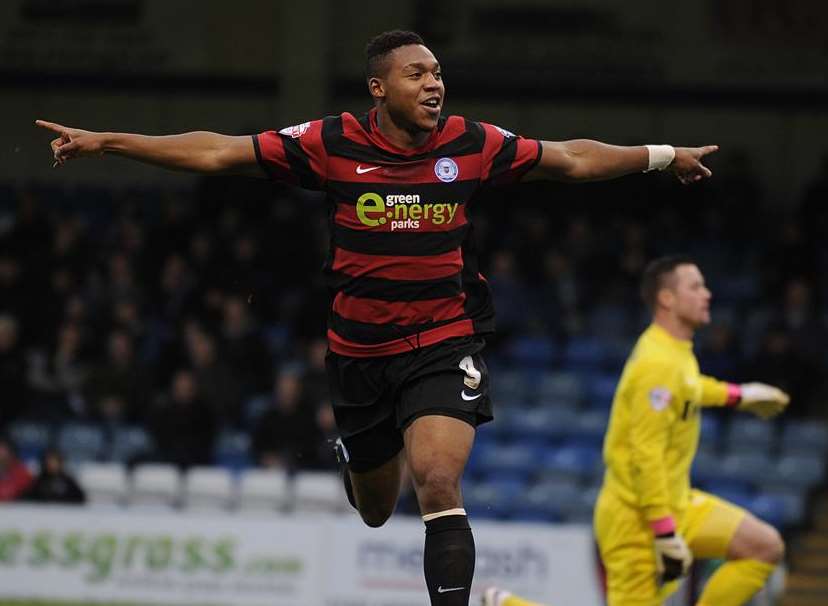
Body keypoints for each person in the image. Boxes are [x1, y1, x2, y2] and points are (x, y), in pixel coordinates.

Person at [36, 30, 718, 606]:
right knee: (374, 509)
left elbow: (570, 160)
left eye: (438, 73)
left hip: (443, 341)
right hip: (358, 355)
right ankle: (358, 458)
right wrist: (109, 142)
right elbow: (219, 151)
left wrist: (661, 157)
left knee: (439, 481)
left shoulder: (471, 142)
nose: (434, 84)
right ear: (378, 88)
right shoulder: (330, 142)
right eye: (416, 73)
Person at [483, 255, 789, 606]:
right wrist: (664, 531)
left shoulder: (674, 351)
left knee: (763, 547)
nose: (707, 294)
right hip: (636, 519)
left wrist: (739, 395)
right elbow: (647, 454)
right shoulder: (656, 364)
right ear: (667, 299)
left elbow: (688, 387)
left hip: (679, 503)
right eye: (696, 286)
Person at [21, 448, 85, 504]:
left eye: (54, 461)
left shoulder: (68, 481)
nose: (52, 464)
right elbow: (27, 498)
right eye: (49, 461)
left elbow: (80, 498)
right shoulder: (39, 481)